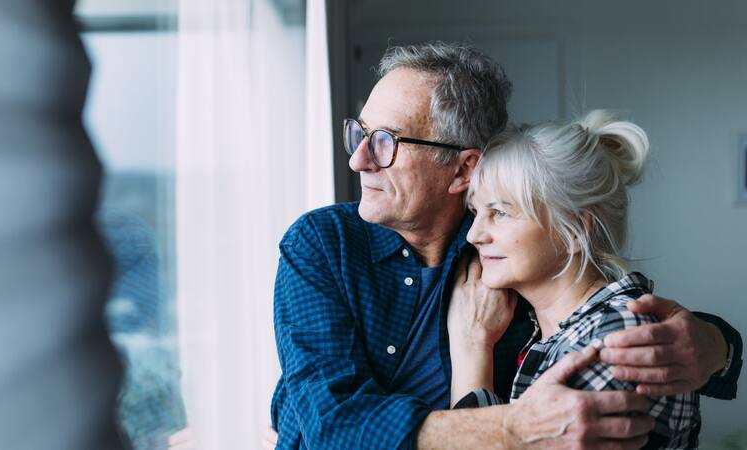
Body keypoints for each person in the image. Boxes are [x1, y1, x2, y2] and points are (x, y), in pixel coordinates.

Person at [267, 42, 742, 449]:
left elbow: (606, 319)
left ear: (462, 169)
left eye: (386, 140)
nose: (358, 160)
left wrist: (716, 345)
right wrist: (512, 428)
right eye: (360, 132)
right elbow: (329, 423)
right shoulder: (323, 244)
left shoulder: (507, 260)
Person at [448, 111, 700, 448]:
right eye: (476, 212)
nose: (474, 235)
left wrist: (471, 348)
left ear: (576, 231)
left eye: (501, 213)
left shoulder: (615, 337)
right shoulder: (550, 330)